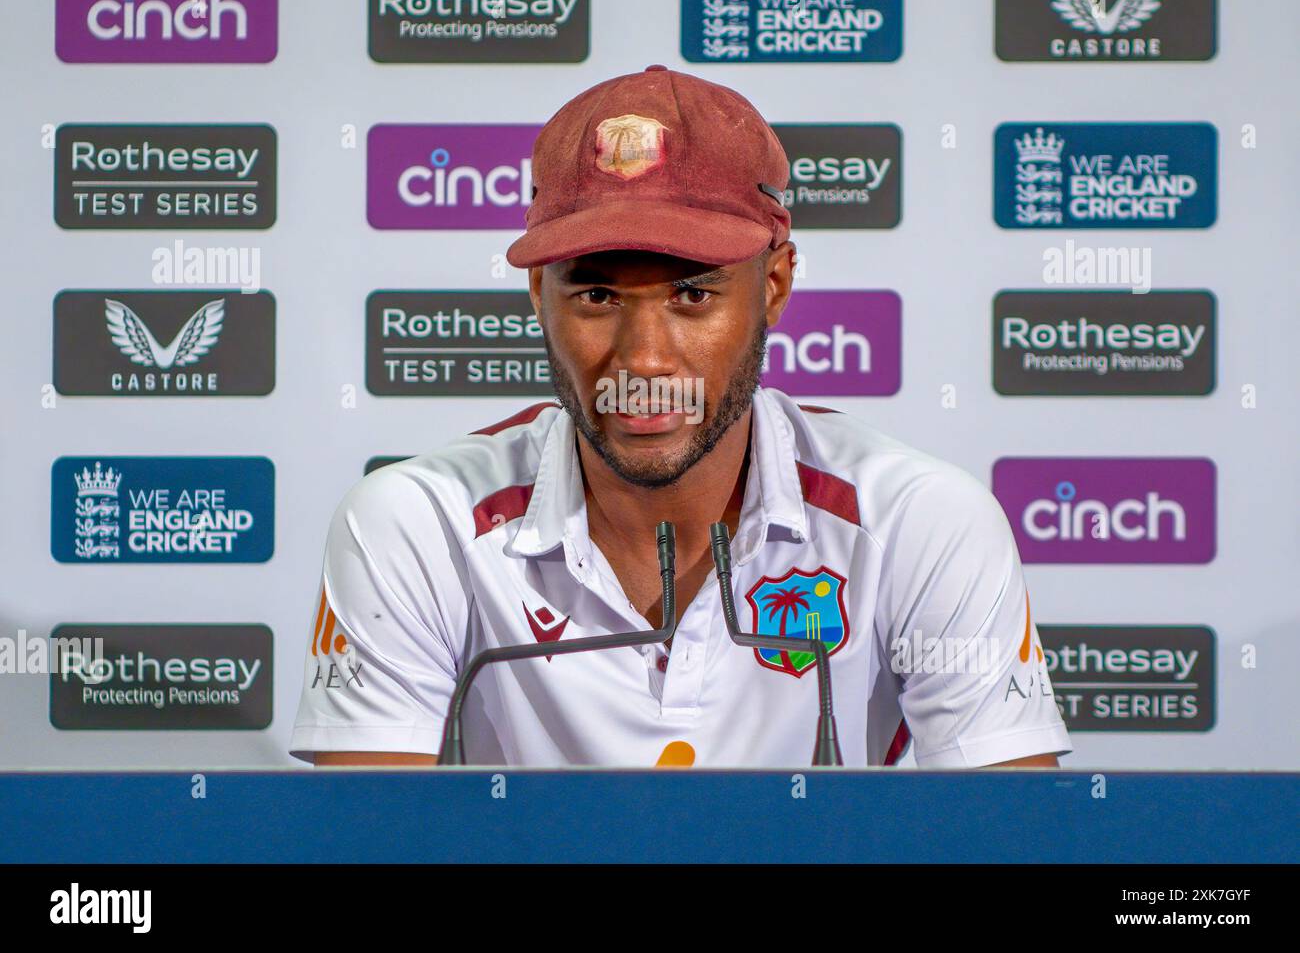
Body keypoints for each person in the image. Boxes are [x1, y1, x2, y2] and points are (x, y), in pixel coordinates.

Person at [290, 65, 1071, 768]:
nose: (645, 360)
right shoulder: (413, 522)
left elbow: (1008, 842)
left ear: (774, 284)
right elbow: (373, 844)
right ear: (538, 299)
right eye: (597, 296)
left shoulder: (923, 520)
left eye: (692, 294)